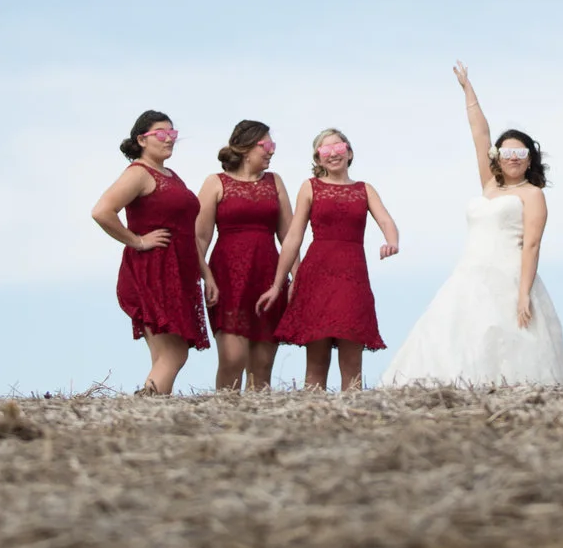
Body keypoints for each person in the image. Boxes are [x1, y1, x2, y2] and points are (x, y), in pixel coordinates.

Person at [378, 65, 563, 388]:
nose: (513, 157)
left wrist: (524, 293)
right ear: (497, 156)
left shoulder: (532, 194)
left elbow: (532, 245)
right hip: (469, 273)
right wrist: (467, 89)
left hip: (510, 275)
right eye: (506, 152)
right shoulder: (489, 184)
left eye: (520, 153)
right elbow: (479, 133)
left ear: (529, 159)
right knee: (450, 334)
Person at [263, 128, 400, 390]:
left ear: (349, 153)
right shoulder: (310, 187)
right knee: (317, 360)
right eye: (325, 150)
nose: (333, 154)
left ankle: (353, 413)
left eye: (338, 147)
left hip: (352, 279)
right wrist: (278, 284)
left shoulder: (364, 189)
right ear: (318, 158)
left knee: (352, 361)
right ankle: (312, 414)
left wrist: (391, 242)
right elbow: (293, 237)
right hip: (317, 277)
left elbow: (386, 220)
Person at [89, 110, 208, 394]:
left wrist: (206, 275)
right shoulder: (139, 173)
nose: (169, 139)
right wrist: (137, 241)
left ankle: (153, 410)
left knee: (164, 354)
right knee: (174, 353)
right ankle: (147, 406)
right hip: (152, 272)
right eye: (161, 133)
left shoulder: (171, 175)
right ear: (142, 140)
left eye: (172, 133)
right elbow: (102, 211)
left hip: (176, 272)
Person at [196, 120, 288, 391]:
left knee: (263, 365)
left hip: (268, 276)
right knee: (232, 359)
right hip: (227, 278)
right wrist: (205, 277)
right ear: (246, 148)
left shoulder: (275, 181)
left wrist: (297, 277)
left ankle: (258, 417)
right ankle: (225, 412)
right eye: (266, 145)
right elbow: (199, 238)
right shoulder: (215, 182)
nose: (272, 151)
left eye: (272, 145)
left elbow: (289, 237)